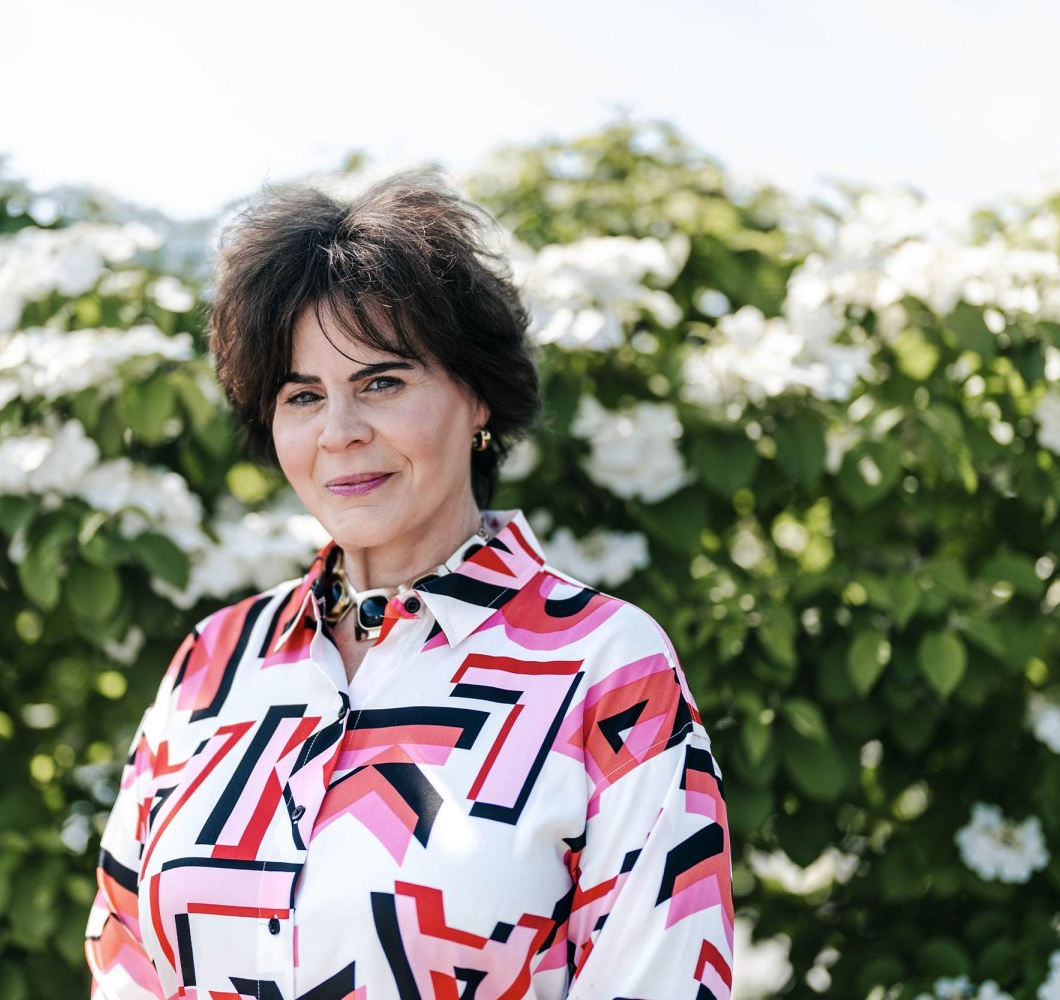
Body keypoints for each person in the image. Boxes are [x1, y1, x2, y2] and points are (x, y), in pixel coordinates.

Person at [84, 169, 734, 999]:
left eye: (381, 382)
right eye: (302, 395)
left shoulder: (606, 667)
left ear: (478, 400)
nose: (340, 433)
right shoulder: (214, 662)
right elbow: (124, 958)